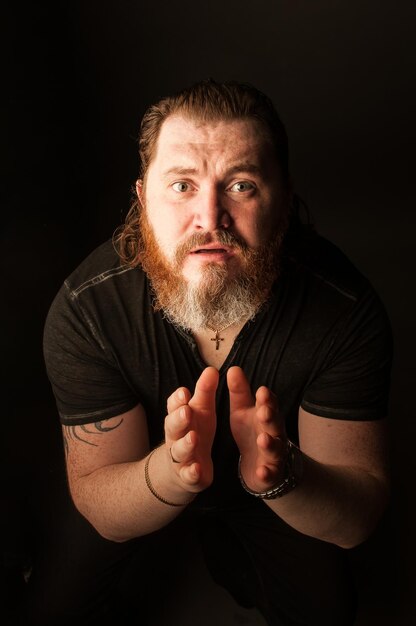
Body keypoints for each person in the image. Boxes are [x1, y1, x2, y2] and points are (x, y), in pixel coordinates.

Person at [42, 80, 392, 626]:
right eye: (182, 185)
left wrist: (281, 474)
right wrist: (172, 472)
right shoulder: (88, 310)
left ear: (285, 198)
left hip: (281, 491)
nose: (210, 216)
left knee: (329, 610)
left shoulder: (343, 309)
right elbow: (102, 504)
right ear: (142, 199)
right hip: (141, 481)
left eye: (242, 185)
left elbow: (355, 519)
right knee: (50, 608)